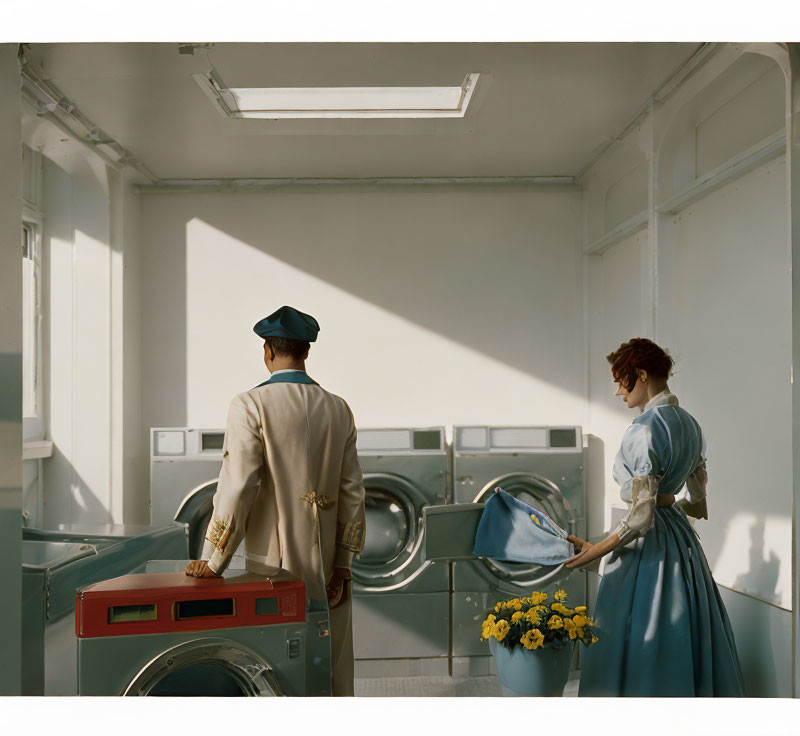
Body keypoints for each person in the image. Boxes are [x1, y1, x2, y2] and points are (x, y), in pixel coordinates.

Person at [184, 305, 366, 696]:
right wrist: (345, 564)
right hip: (330, 564)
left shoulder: (249, 405)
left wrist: (215, 560)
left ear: (267, 350)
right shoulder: (338, 408)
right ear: (306, 351)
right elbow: (353, 489)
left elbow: (238, 485)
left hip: (274, 563)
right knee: (330, 665)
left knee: (279, 666)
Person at [567, 337, 743, 696]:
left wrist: (596, 551)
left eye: (621, 380)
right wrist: (674, 509)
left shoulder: (643, 429)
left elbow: (640, 516)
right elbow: (696, 496)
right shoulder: (691, 425)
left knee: (638, 627)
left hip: (647, 540)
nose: (619, 392)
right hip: (679, 536)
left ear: (642, 375)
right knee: (682, 625)